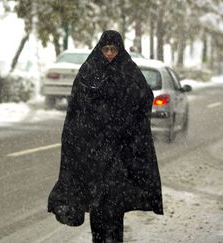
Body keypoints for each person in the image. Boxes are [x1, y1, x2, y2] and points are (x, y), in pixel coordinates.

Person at [48, 30, 163, 243]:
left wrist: (124, 121)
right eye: (106, 49)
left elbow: (145, 96)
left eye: (113, 49)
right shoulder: (89, 71)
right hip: (94, 154)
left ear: (119, 50)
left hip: (119, 154)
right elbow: (76, 109)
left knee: (114, 206)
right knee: (98, 208)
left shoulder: (128, 71)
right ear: (100, 50)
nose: (110, 53)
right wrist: (90, 128)